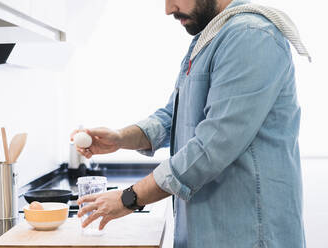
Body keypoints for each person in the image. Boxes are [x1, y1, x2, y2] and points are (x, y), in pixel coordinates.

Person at [71, 0, 308, 247]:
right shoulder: (212, 37)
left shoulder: (250, 37)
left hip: (249, 235)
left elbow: (212, 146)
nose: (168, 9)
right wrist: (121, 138)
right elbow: (174, 116)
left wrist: (129, 198)